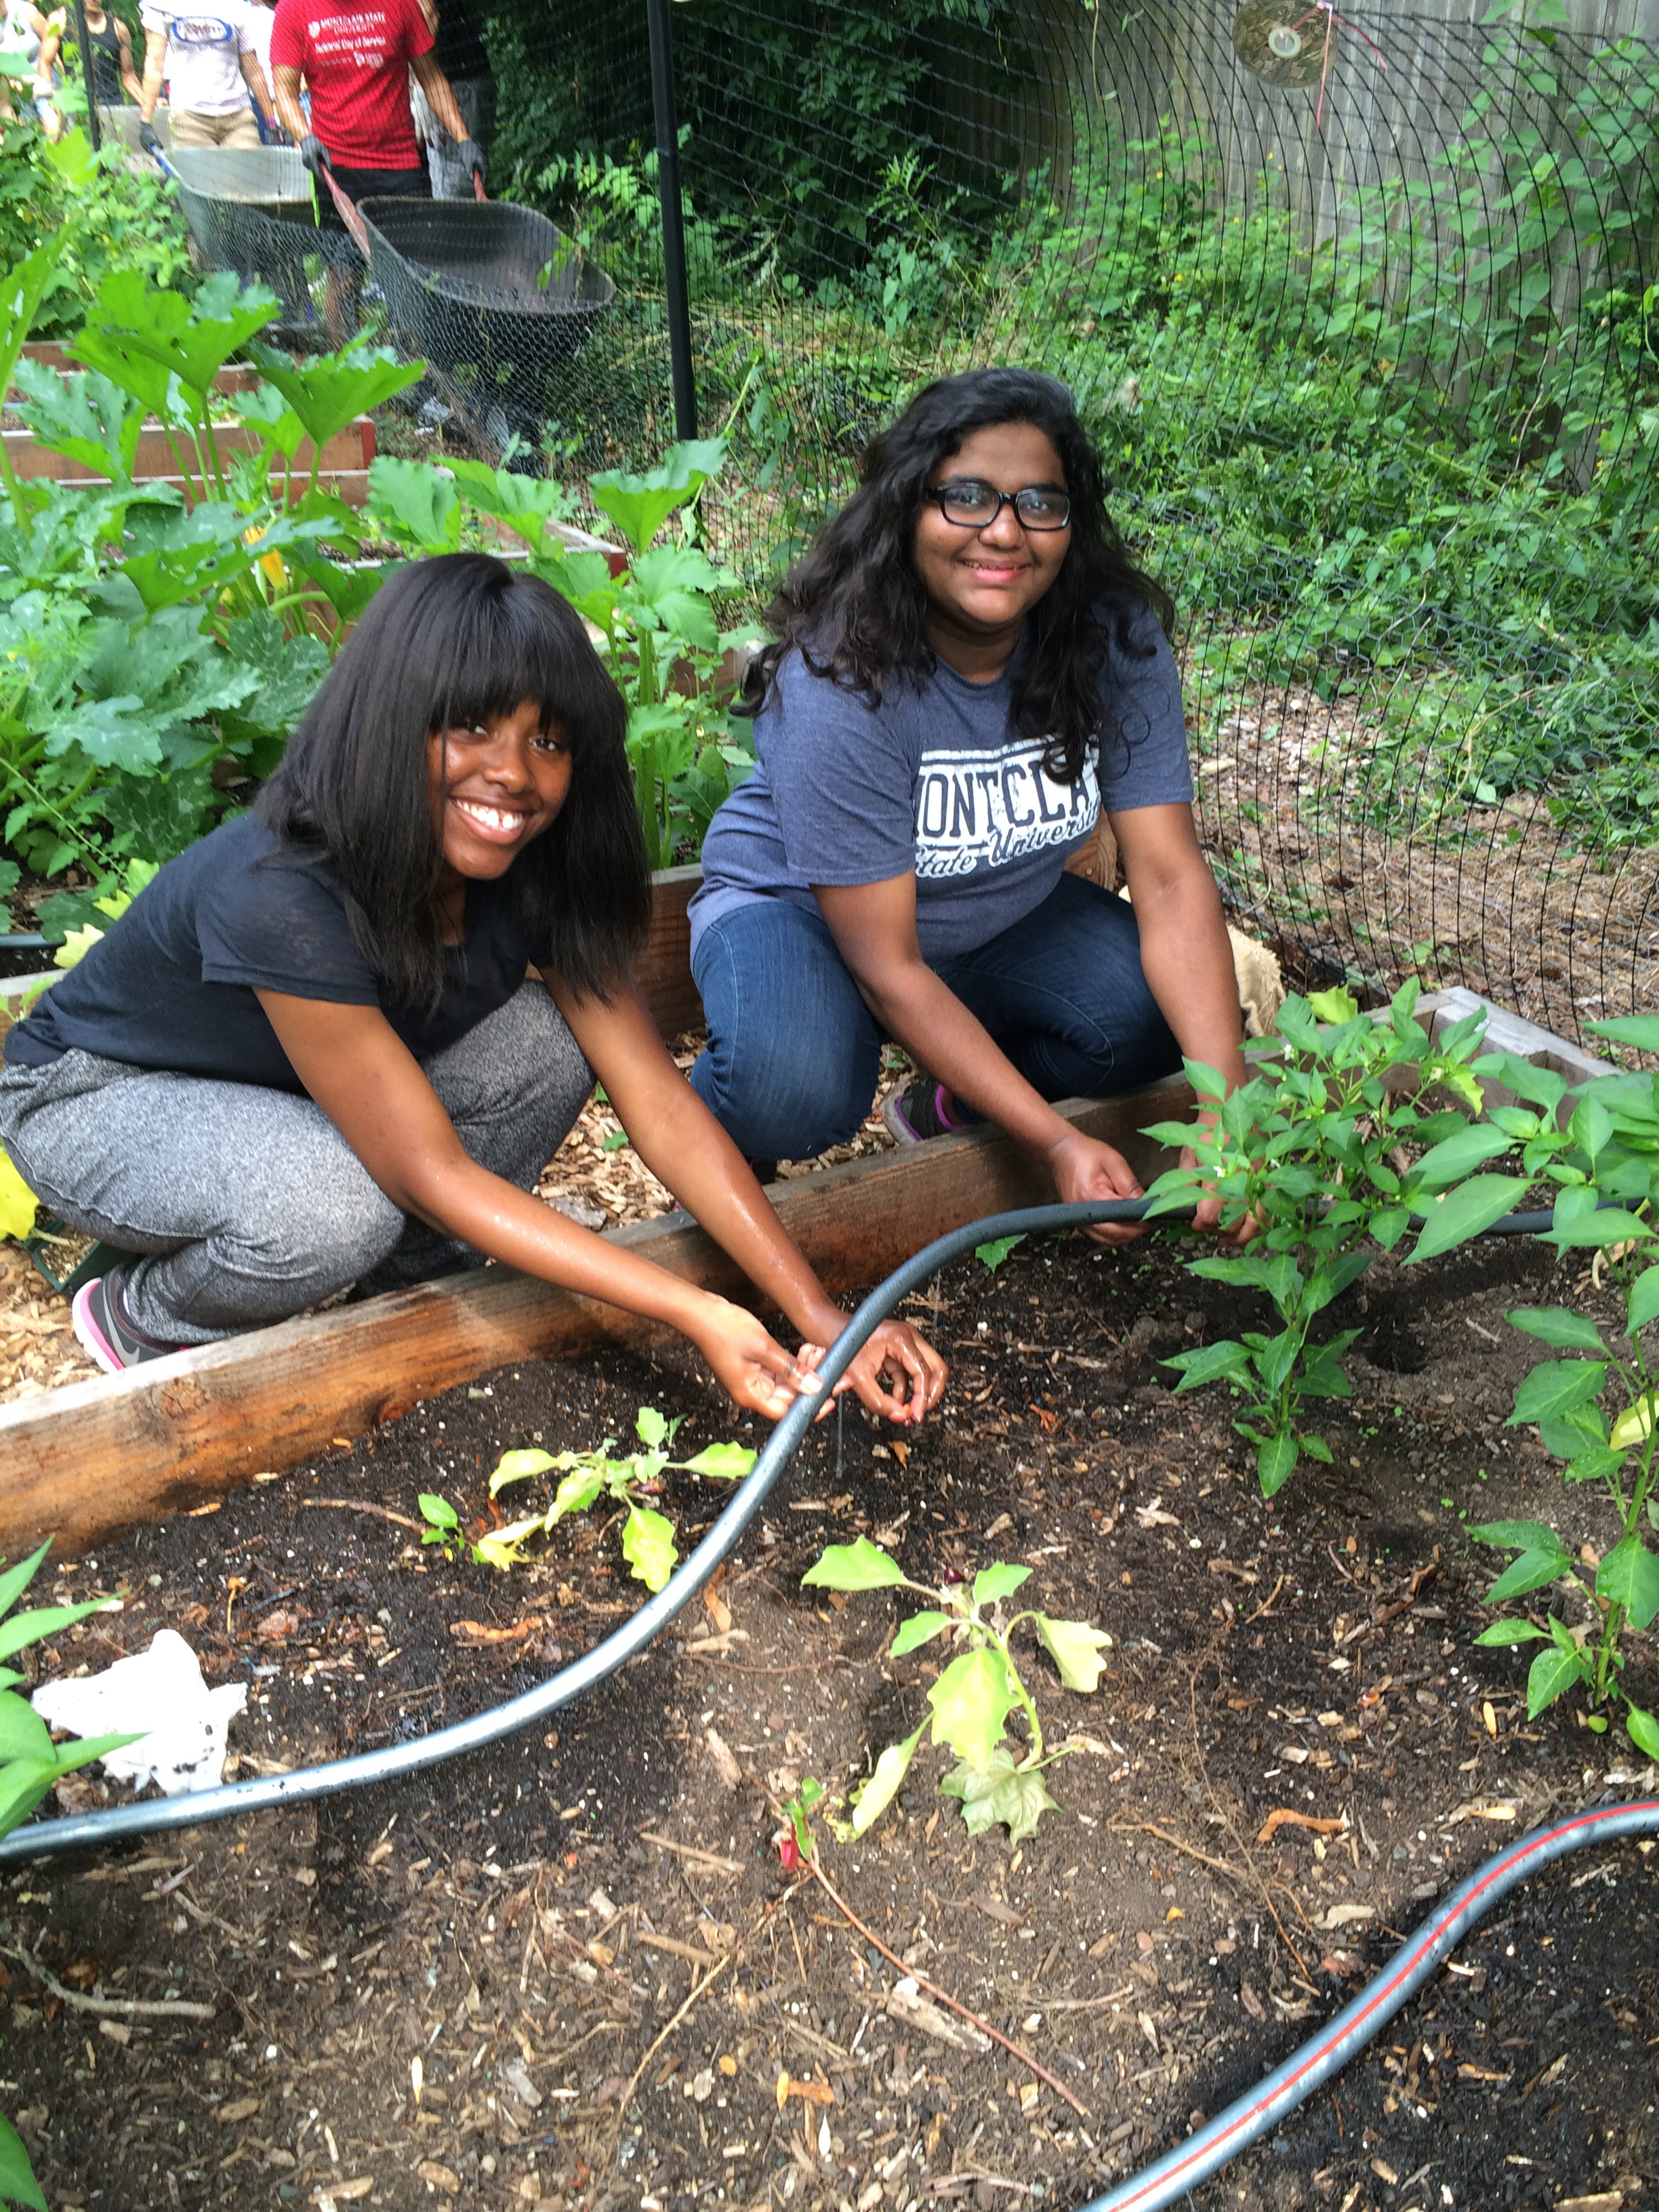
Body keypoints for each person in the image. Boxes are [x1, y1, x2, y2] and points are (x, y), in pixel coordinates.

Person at [0, 554, 945, 1431]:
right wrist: (693, 1311)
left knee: (547, 1042)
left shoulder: (526, 865)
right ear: (390, 716)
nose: (513, 772)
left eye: (548, 739)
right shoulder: (279, 892)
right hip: (98, 1097)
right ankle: (143, 1317)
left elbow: (655, 1097)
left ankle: (404, 1290)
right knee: (335, 1203)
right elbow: (430, 1171)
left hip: (292, 1092)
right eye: (470, 726)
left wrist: (820, 1311)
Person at [687, 367, 1250, 1245]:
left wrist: (1225, 1112)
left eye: (1040, 503)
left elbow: (1172, 879)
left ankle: (948, 1102)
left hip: (987, 917)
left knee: (1141, 1023)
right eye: (968, 498)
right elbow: (889, 965)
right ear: (908, 508)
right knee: (791, 1094)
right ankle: (710, 1148)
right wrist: (1054, 1139)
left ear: (1073, 520)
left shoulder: (1111, 642)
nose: (1005, 531)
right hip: (802, 912)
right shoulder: (844, 679)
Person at [269, 0, 482, 341]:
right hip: (336, 169)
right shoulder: (295, 9)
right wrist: (304, 136)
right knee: (343, 276)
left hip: (401, 167)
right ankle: (348, 372)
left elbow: (431, 77)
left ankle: (419, 379)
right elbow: (284, 88)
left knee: (413, 279)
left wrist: (464, 138)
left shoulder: (400, 4)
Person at [136, 0, 274, 151]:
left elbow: (253, 70)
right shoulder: (161, 4)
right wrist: (146, 122)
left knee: (246, 174)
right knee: (200, 175)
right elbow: (154, 63)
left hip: (238, 116)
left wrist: (272, 124)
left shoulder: (238, 5)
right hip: (189, 116)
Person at [409, 0, 493, 200]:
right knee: (459, 182)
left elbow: (427, 13)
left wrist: (421, 88)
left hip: (454, 85)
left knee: (455, 193)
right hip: (462, 77)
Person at [0, 0, 63, 138]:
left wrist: (57, 73)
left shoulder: (25, 11)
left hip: (42, 75)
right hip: (15, 86)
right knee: (26, 134)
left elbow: (50, 39)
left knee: (54, 131)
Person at [78, 0, 143, 116]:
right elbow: (45, 64)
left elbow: (128, 75)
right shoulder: (62, 22)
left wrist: (148, 103)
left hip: (113, 108)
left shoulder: (119, 29)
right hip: (77, 106)